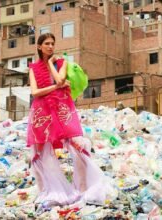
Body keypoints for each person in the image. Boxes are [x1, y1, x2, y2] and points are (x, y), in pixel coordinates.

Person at [26, 33, 107, 209]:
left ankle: (84, 188)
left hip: (62, 108)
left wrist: (50, 64)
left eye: (52, 43)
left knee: (79, 144)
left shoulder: (61, 62)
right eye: (46, 43)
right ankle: (45, 191)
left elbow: (61, 79)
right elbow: (35, 92)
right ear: (39, 47)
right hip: (41, 111)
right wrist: (55, 87)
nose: (50, 46)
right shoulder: (32, 68)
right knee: (39, 150)